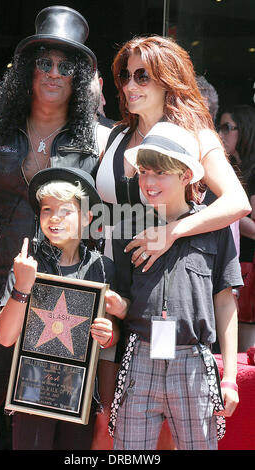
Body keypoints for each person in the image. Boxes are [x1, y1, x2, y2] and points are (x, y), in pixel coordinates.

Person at [0, 5, 110, 450]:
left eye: (65, 65)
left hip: (72, 304)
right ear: (27, 72)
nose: (53, 73)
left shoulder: (103, 142)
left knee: (58, 436)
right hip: (3, 296)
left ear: (80, 79)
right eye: (43, 63)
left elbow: (124, 224)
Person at [108, 121, 242, 450]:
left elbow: (225, 302)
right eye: (144, 172)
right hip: (139, 357)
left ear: (186, 175)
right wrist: (112, 305)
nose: (149, 182)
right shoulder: (128, 226)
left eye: (160, 172)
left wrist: (230, 378)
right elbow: (124, 302)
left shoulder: (215, 227)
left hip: (195, 362)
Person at [0, 166, 125, 450]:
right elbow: (4, 337)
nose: (54, 217)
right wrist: (22, 287)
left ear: (88, 217)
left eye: (65, 210)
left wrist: (108, 334)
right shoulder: (27, 265)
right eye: (46, 209)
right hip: (30, 398)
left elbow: (112, 342)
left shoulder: (102, 268)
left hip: (81, 399)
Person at [96, 35, 250, 266]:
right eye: (125, 75)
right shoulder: (115, 136)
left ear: (168, 80)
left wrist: (172, 232)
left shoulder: (197, 137)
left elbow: (237, 202)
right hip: (109, 272)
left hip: (167, 275)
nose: (130, 85)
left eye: (142, 76)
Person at [218, 104, 255, 351]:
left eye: (227, 127)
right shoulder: (228, 168)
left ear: (245, 130)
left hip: (249, 264)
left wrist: (228, 210)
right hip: (235, 262)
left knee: (245, 347)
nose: (220, 134)